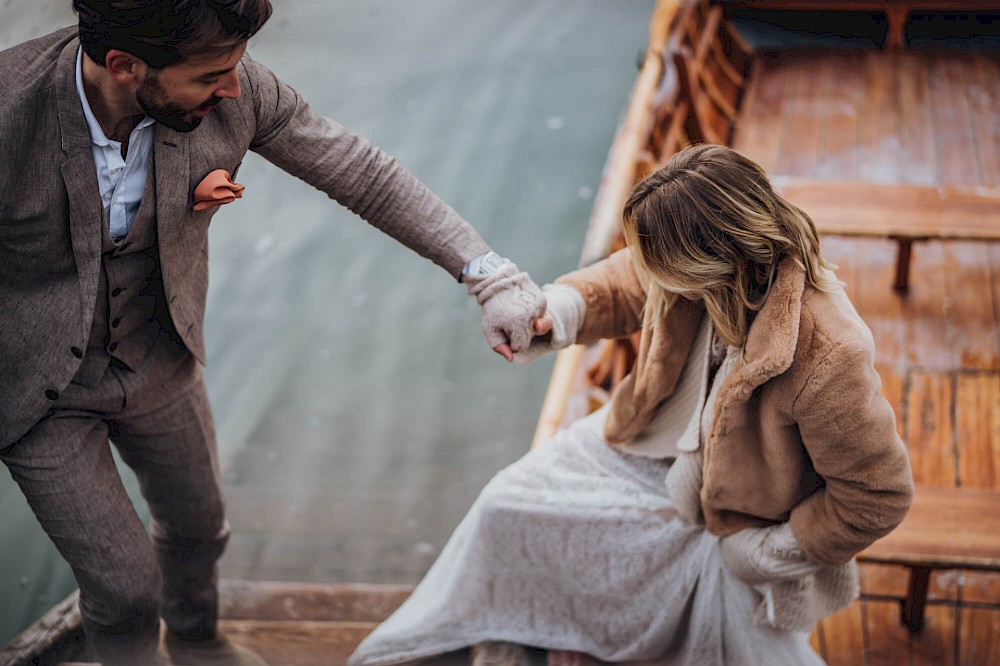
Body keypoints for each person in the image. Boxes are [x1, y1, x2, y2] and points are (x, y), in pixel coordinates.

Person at [0, 2, 546, 664]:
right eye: (210, 77)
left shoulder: (239, 87)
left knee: (201, 530)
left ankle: (199, 641)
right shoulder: (8, 111)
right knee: (124, 591)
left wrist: (490, 276)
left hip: (161, 358)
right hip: (36, 393)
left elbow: (363, 172)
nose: (233, 88)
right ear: (123, 65)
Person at [348, 143, 915, 665]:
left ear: (709, 267)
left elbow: (877, 496)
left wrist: (766, 551)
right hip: (647, 441)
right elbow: (624, 280)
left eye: (665, 270)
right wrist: (555, 310)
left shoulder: (829, 353)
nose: (652, 276)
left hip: (744, 507)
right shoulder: (707, 265)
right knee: (505, 505)